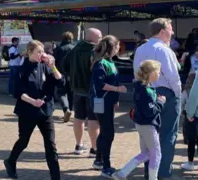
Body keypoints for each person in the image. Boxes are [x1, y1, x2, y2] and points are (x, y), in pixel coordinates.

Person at [4, 40, 64, 180]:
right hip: (27, 111)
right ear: (30, 52)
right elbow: (18, 93)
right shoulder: (22, 70)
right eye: (38, 52)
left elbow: (61, 81)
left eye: (43, 52)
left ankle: (56, 176)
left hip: (45, 111)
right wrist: (32, 101)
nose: (41, 55)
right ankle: (10, 161)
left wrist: (53, 66)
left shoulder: (45, 66)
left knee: (50, 145)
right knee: (23, 141)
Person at [133, 18, 182, 179]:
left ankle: (150, 173)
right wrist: (178, 95)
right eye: (170, 28)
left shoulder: (140, 49)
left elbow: (136, 72)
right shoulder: (164, 50)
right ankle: (163, 174)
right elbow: (173, 77)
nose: (172, 32)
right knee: (168, 135)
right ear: (162, 31)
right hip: (166, 94)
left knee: (150, 138)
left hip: (145, 91)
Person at [114, 60, 164, 180]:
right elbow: (150, 111)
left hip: (141, 124)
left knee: (146, 153)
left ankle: (122, 174)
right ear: (151, 73)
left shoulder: (141, 87)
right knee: (156, 154)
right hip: (148, 126)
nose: (159, 74)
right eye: (158, 72)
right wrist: (160, 102)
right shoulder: (146, 90)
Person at [90, 35, 127, 177]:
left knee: (105, 131)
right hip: (101, 102)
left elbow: (113, 81)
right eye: (117, 46)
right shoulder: (100, 64)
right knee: (108, 133)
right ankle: (106, 165)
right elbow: (100, 85)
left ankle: (99, 159)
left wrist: (115, 98)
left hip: (106, 102)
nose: (119, 49)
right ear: (112, 47)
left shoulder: (109, 62)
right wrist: (118, 90)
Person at [62, 28, 102, 156]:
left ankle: (78, 145)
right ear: (95, 39)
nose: (101, 40)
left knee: (78, 118)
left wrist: (72, 76)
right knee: (94, 120)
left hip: (77, 89)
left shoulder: (75, 49)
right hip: (95, 91)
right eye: (100, 37)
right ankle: (95, 149)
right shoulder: (96, 51)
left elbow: (63, 65)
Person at [55, 31, 75, 123]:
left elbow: (54, 62)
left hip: (60, 74)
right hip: (72, 75)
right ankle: (70, 109)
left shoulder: (58, 49)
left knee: (62, 93)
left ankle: (66, 109)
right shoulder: (74, 48)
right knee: (71, 93)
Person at [182, 72, 197, 171]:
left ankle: (190, 163)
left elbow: (194, 98)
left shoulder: (186, 91)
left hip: (193, 119)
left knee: (191, 141)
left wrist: (188, 114)